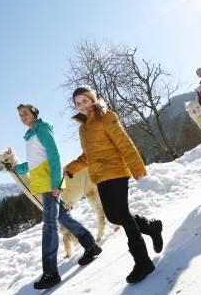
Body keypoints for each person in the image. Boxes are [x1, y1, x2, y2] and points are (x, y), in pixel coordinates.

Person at [64, 87, 163, 284]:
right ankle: (152, 227)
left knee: (123, 216)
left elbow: (124, 143)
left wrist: (137, 168)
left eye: (84, 100)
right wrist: (72, 168)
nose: (82, 105)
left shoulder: (106, 117)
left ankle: (142, 262)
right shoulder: (83, 128)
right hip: (100, 176)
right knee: (114, 216)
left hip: (116, 171)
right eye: (77, 103)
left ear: (92, 99)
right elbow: (88, 156)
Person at [12, 104, 100, 290]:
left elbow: (54, 155)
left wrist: (56, 184)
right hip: (42, 181)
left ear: (35, 113)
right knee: (62, 217)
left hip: (49, 183)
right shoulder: (30, 135)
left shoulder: (42, 129)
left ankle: (51, 272)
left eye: (26, 113)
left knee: (49, 224)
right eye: (20, 115)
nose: (23, 117)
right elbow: (35, 162)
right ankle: (91, 245)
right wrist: (17, 169)